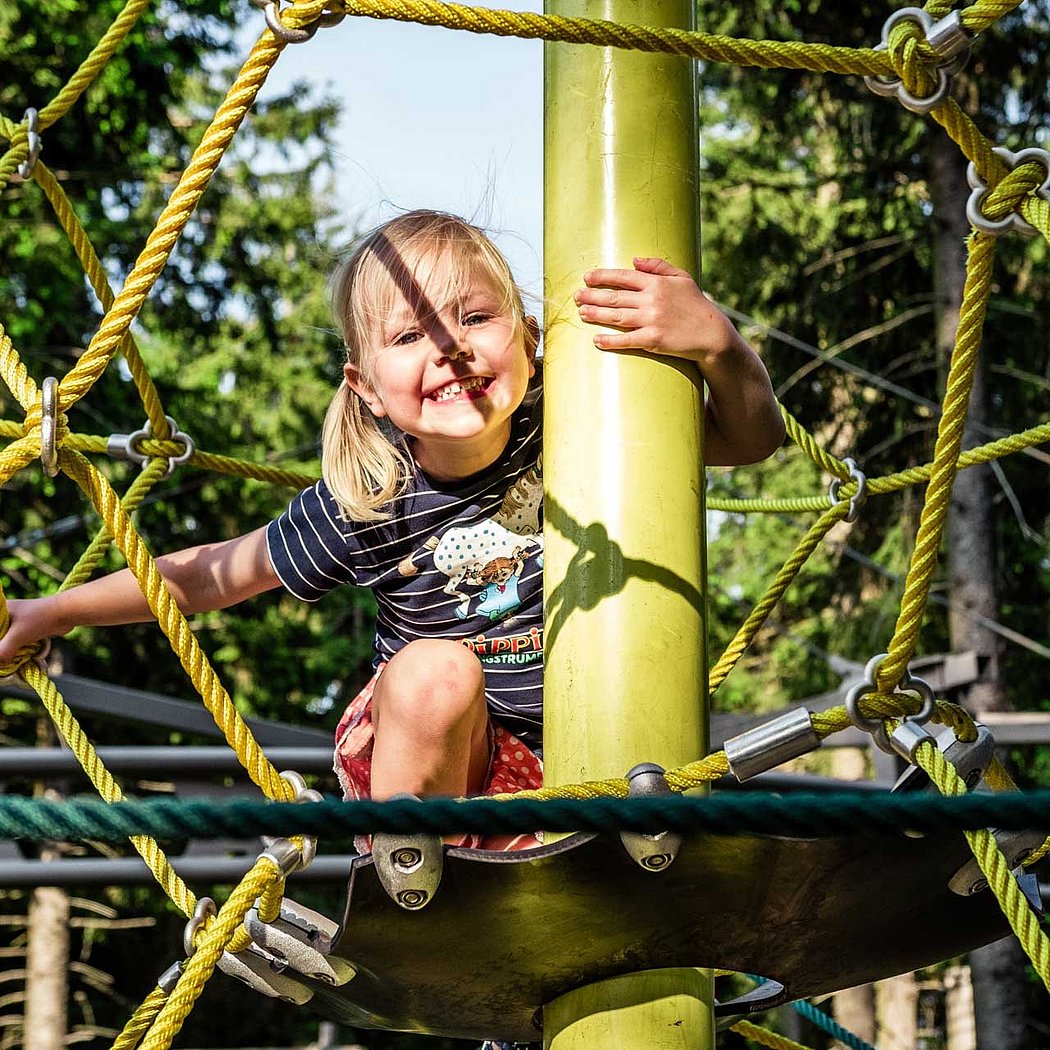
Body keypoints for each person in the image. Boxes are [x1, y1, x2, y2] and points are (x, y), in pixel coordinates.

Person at [0, 210, 784, 849]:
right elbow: (209, 574)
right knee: (433, 672)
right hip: (433, 772)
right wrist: (49, 612)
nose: (449, 346)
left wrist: (717, 341)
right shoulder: (370, 499)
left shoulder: (581, 430)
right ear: (366, 388)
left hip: (572, 780)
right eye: (409, 337)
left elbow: (749, 440)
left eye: (476, 317)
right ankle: (411, 873)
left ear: (530, 341)